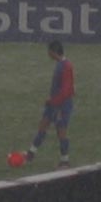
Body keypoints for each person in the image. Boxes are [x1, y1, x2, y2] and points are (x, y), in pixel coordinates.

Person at [25, 40, 74, 169]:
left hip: (62, 105)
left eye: (49, 51)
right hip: (54, 104)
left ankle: (65, 160)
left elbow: (66, 91)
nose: (48, 54)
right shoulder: (61, 64)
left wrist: (55, 102)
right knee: (43, 126)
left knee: (61, 131)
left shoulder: (66, 66)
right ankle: (31, 153)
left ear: (53, 52)